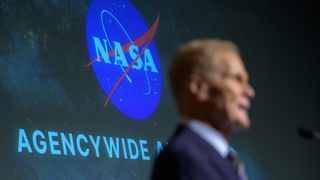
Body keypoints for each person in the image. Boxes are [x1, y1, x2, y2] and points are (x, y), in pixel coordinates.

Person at [151, 39, 255, 180]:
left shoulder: (217, 158)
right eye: (237, 79)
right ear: (199, 87)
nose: (249, 92)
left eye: (246, 82)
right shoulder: (186, 158)